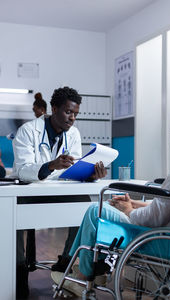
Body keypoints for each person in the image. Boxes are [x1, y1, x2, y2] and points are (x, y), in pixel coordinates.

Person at [51, 110, 170, 297]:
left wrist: (129, 211)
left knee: (93, 211)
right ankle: (92, 271)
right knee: (103, 211)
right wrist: (134, 203)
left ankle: (81, 276)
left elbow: (153, 218)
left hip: (161, 240)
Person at [12, 86, 107, 298]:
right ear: (54, 109)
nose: (72, 118)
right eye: (68, 112)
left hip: (58, 189)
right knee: (13, 218)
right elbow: (23, 169)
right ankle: (18, 271)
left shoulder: (73, 133)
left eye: (75, 114)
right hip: (29, 193)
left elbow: (72, 170)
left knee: (86, 206)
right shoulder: (27, 131)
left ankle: (66, 261)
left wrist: (89, 174)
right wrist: (51, 165)